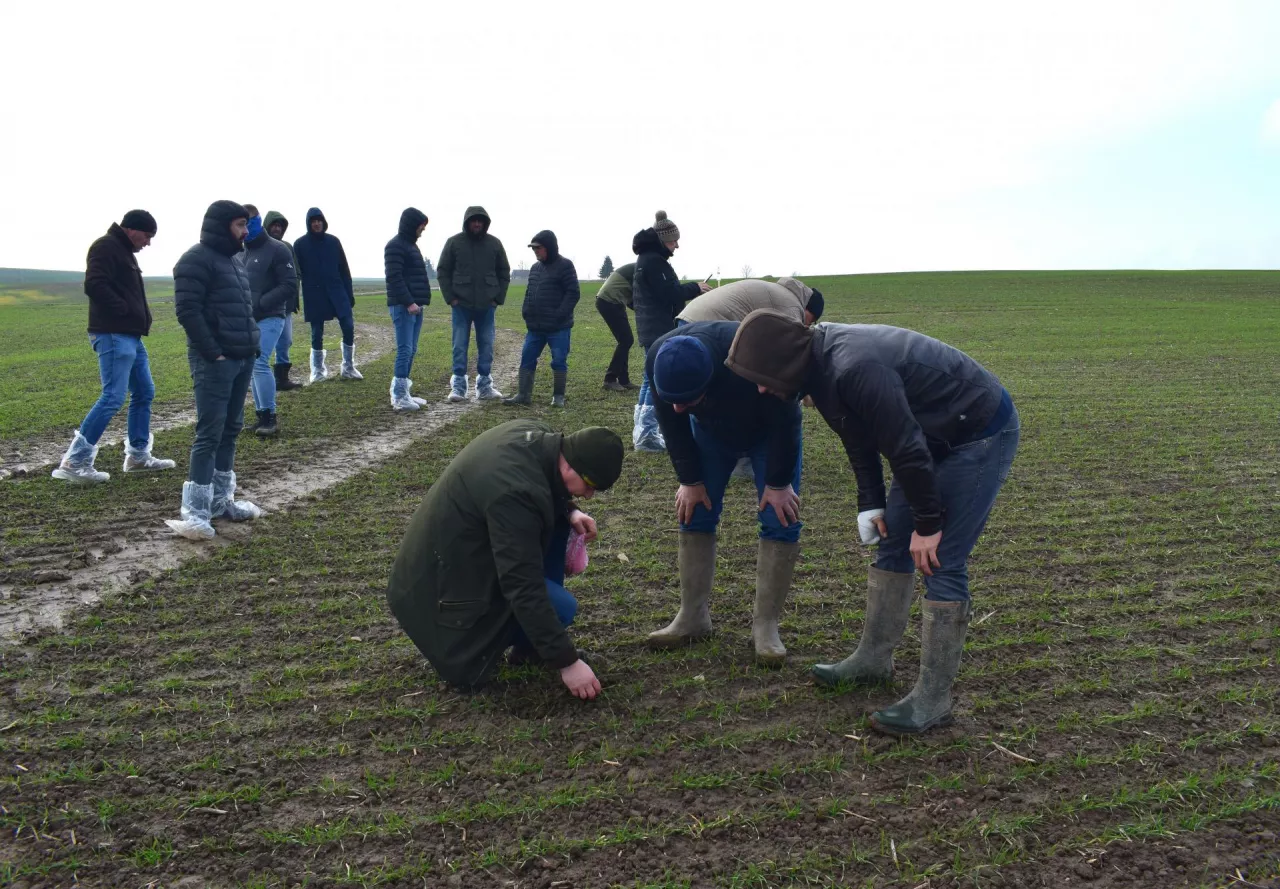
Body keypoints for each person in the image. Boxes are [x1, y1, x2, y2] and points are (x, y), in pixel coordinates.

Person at [726, 309, 1020, 735]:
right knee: (891, 541)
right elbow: (859, 437)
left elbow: (904, 446)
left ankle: (934, 699)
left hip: (977, 432)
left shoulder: (853, 366)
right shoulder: (819, 371)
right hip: (927, 435)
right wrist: (872, 502)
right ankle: (872, 661)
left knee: (940, 559)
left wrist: (928, 522)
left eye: (761, 375)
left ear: (784, 361)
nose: (758, 386)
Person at [386, 420, 624, 699]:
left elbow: (542, 486)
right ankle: (521, 646)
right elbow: (521, 583)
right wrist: (566, 662)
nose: (589, 495)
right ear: (571, 463)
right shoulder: (514, 493)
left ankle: (529, 646)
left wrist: (570, 511)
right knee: (562, 608)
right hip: (436, 597)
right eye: (591, 484)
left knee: (559, 522)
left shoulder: (534, 438)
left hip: (452, 561)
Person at [644, 321, 804, 666]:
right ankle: (692, 617)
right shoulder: (660, 356)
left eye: (686, 400)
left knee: (780, 517)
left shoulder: (754, 356)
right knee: (695, 509)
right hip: (710, 434)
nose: (677, 408)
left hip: (768, 434)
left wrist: (777, 484)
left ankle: (766, 626)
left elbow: (787, 420)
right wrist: (690, 479)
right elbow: (671, 423)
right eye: (673, 399)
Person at [52, 210, 176, 483]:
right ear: (132, 229)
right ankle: (75, 461)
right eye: (147, 235)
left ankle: (138, 456)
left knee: (144, 391)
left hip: (129, 335)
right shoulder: (106, 246)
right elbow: (94, 284)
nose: (148, 242)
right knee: (113, 396)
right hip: (113, 333)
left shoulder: (123, 251)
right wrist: (122, 311)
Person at [166, 201, 265, 540]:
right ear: (223, 225)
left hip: (242, 357)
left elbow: (242, 309)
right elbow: (188, 311)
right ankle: (194, 513)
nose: (245, 231)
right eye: (240, 225)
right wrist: (214, 353)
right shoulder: (195, 259)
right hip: (215, 362)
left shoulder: (233, 261)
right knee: (210, 432)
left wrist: (251, 346)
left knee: (232, 428)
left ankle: (222, 501)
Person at [630, 211, 710, 452]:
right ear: (662, 240)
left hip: (650, 326)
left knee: (649, 378)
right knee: (653, 380)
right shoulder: (654, 262)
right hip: (658, 328)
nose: (677, 245)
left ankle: (643, 432)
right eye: (673, 240)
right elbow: (670, 293)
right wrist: (695, 288)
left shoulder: (647, 259)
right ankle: (646, 435)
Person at [436, 206, 509, 403]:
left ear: (485, 223)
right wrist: (451, 298)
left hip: (487, 305)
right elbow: (443, 271)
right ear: (467, 222)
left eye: (480, 221)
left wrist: (497, 299)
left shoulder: (494, 244)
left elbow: (504, 272)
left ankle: (485, 387)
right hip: (461, 305)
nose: (477, 224)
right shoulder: (454, 243)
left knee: (486, 346)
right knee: (459, 346)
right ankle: (458, 388)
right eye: (473, 220)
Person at [238, 204, 297, 437]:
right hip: (248, 319)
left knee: (259, 362)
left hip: (271, 316)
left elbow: (289, 284)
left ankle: (270, 417)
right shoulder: (241, 251)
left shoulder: (278, 249)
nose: (246, 227)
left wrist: (262, 302)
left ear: (258, 221)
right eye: (242, 223)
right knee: (252, 366)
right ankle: (261, 415)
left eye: (249, 222)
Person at [504, 230, 580, 407]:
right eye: (533, 249)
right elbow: (529, 292)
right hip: (535, 327)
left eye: (538, 248)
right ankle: (523, 395)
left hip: (558, 327)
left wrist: (559, 315)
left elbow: (573, 293)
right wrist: (526, 310)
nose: (536, 251)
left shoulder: (566, 265)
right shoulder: (535, 268)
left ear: (549, 247)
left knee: (559, 360)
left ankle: (558, 397)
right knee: (526, 358)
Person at [293, 207, 362, 383]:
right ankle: (317, 371)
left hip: (337, 290)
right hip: (314, 293)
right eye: (313, 221)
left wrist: (349, 293)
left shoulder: (333, 242)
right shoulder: (300, 245)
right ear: (309, 224)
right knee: (317, 333)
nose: (316, 223)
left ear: (323, 222)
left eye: (319, 220)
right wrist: (295, 296)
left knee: (348, 326)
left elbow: (344, 269)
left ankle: (348, 366)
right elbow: (296, 274)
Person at [384, 207, 431, 411]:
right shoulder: (395, 246)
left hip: (415, 306)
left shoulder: (411, 246)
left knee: (412, 349)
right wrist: (409, 302)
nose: (423, 230)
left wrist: (418, 302)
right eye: (421, 226)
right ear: (413, 224)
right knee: (405, 349)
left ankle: (405, 391)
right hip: (404, 307)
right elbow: (394, 278)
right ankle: (399, 397)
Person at [677, 276, 824, 326]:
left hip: (688, 316)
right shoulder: (792, 307)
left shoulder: (779, 293)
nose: (806, 326)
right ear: (808, 309)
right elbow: (786, 349)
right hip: (704, 323)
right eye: (810, 322)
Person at [263, 210, 302, 391]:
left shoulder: (287, 246)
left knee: (285, 341)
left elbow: (295, 274)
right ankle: (255, 376)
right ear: (267, 226)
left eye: (280, 226)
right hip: (263, 305)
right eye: (274, 225)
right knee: (261, 342)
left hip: (285, 305)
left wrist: (293, 301)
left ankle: (281, 378)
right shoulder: (257, 247)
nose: (277, 228)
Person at [595, 262, 637, 391]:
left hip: (612, 301)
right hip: (610, 301)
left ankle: (624, 380)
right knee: (626, 340)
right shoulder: (644, 268)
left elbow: (633, 298)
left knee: (625, 340)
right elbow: (641, 295)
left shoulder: (639, 266)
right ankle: (610, 379)